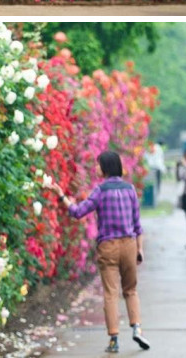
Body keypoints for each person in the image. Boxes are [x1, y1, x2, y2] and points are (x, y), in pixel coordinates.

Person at [51, 151, 150, 353]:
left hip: (109, 247)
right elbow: (138, 225)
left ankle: (114, 339)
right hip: (130, 244)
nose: (96, 168)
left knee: (111, 293)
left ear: (105, 167)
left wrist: (61, 196)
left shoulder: (100, 191)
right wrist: (139, 249)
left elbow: (78, 212)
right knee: (130, 290)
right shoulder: (130, 189)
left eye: (98, 165)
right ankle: (137, 328)